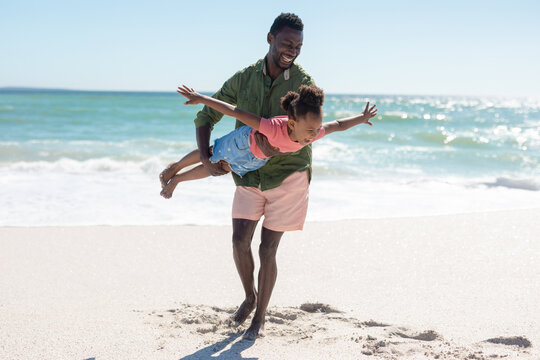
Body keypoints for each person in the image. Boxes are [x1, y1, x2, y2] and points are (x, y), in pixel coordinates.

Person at [161, 13, 345, 340]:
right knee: (238, 241)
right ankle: (250, 295)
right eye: (287, 42)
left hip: (288, 177)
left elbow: (314, 127)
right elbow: (208, 115)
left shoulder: (303, 83)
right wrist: (206, 155)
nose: (293, 49)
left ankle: (259, 319)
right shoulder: (244, 79)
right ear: (270, 38)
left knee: (267, 250)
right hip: (247, 173)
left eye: (299, 45)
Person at [160, 84, 377, 198]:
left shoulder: (314, 131)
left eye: (317, 128)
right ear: (292, 124)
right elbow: (235, 111)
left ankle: (177, 181)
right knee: (210, 153)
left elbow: (338, 125)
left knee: (220, 168)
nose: (315, 134)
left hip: (257, 158)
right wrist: (201, 98)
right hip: (243, 142)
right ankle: (175, 168)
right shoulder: (272, 128)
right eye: (310, 129)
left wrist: (362, 118)